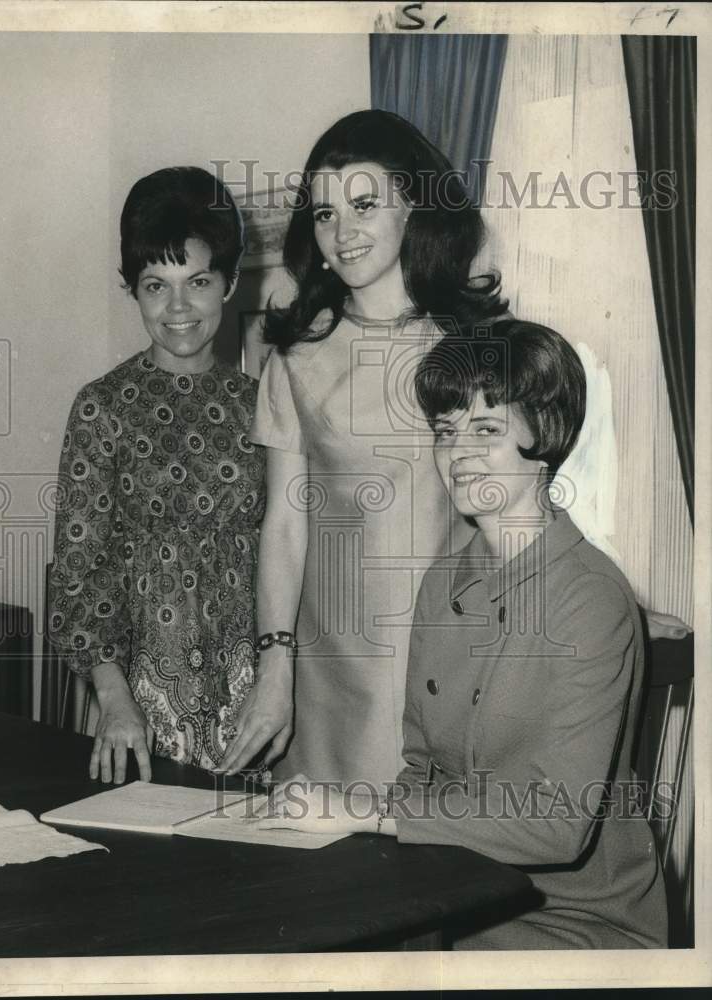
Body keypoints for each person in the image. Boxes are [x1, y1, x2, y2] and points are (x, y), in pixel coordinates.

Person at [253, 319, 668, 950]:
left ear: (544, 433)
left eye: (487, 429)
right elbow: (422, 768)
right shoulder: (445, 578)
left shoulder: (592, 599)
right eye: (446, 432)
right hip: (454, 895)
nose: (458, 453)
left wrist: (363, 812)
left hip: (570, 924)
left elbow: (558, 822)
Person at [217, 110, 508, 786]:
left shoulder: (476, 349)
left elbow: (516, 509)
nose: (342, 232)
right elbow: (284, 527)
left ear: (413, 206)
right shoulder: (295, 356)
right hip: (329, 667)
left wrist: (605, 597)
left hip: (450, 654)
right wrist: (273, 664)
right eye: (323, 214)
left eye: (363, 204)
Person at [48, 166, 266, 783]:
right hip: (140, 702)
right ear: (133, 291)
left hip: (253, 700)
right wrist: (116, 702)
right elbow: (78, 573)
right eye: (154, 286)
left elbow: (286, 550)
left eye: (197, 281)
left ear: (227, 284)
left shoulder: (263, 404)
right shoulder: (102, 408)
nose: (177, 308)